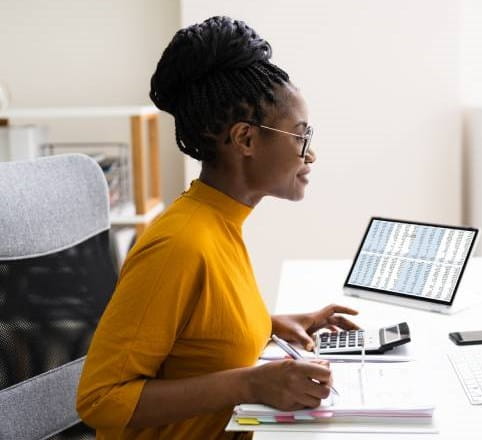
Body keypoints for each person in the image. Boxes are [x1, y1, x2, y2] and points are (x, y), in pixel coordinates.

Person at [76, 16, 359, 439]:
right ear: (245, 139)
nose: (310, 154)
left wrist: (271, 324)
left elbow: (201, 336)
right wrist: (249, 384)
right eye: (300, 136)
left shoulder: (220, 220)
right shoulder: (179, 245)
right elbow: (100, 399)